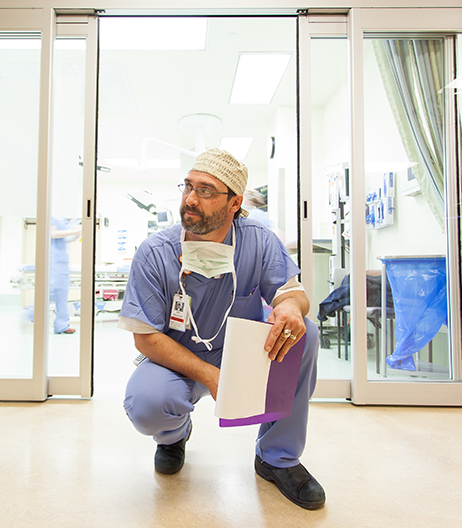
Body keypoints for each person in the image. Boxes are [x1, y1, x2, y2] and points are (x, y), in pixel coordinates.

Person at [119, 148, 324, 510]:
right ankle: (173, 436)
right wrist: (211, 375)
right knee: (148, 403)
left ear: (235, 203)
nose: (191, 199)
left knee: (303, 333)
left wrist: (290, 308)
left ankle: (277, 458)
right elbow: (146, 337)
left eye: (206, 190)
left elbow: (291, 292)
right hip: (174, 357)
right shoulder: (155, 253)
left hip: (240, 352)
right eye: (188, 187)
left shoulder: (257, 240)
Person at [50, 217, 80, 335]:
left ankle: (62, 325)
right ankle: (29, 313)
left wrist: (78, 232)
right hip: (53, 262)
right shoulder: (52, 217)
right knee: (50, 293)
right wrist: (73, 231)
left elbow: (67, 238)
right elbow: (53, 234)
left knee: (61, 294)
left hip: (61, 262)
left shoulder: (64, 221)